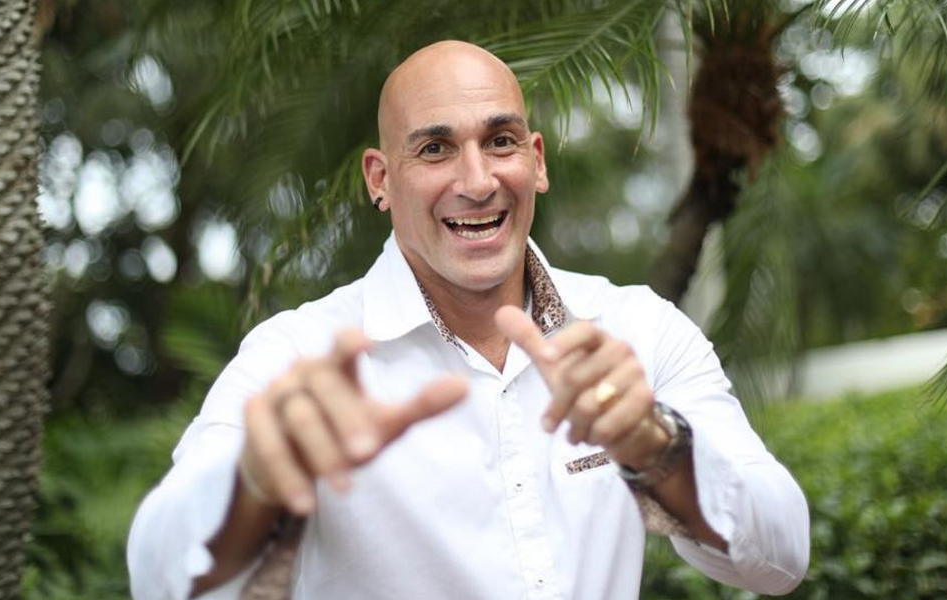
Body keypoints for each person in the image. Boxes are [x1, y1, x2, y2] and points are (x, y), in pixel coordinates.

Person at [128, 40, 810, 600]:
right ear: (380, 179)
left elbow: (782, 558)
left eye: (500, 141)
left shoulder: (638, 330)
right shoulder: (298, 357)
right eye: (435, 149)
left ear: (537, 160)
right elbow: (159, 577)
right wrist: (254, 486)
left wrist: (657, 447)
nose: (478, 181)